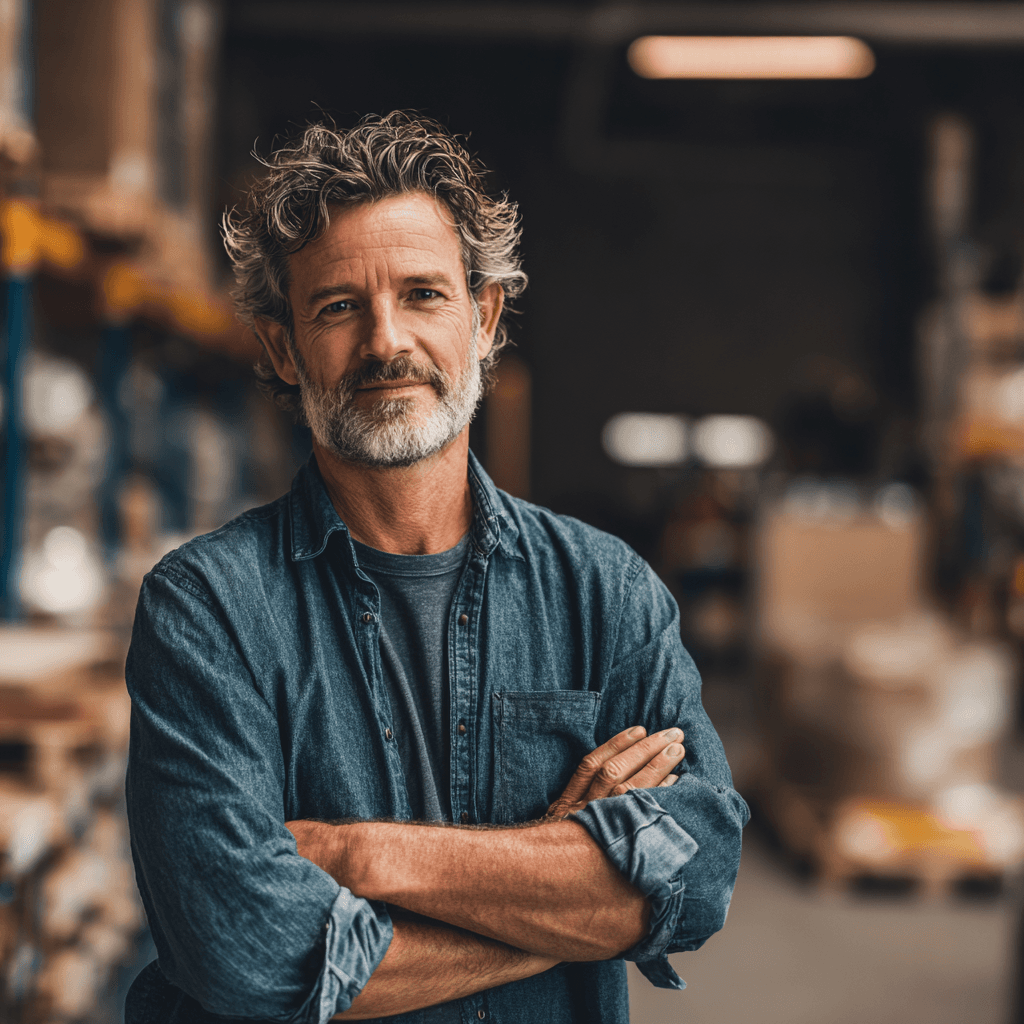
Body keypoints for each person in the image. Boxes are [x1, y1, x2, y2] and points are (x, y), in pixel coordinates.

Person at [124, 112, 748, 1024]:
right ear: (280, 347)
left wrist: (367, 856)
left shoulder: (605, 593)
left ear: (484, 317)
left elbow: (698, 877)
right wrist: (566, 881)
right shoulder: (206, 612)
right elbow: (246, 948)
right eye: (338, 306)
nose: (386, 343)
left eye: (423, 294)